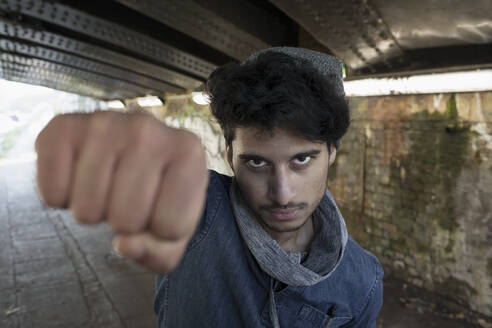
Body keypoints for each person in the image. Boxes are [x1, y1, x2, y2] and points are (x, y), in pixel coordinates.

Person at [35, 47, 383, 327]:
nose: (282, 193)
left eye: (301, 160)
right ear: (230, 155)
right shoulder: (197, 210)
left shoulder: (363, 280)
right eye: (257, 162)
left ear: (332, 152)